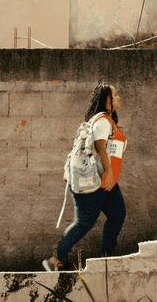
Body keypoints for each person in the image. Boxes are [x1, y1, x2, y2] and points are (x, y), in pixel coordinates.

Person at [43, 84, 127, 271]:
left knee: (117, 214)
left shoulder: (104, 120)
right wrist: (110, 172)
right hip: (97, 180)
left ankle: (106, 257)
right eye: (115, 94)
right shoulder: (103, 121)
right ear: (107, 100)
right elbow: (99, 144)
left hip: (105, 182)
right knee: (84, 222)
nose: (119, 97)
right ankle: (55, 260)